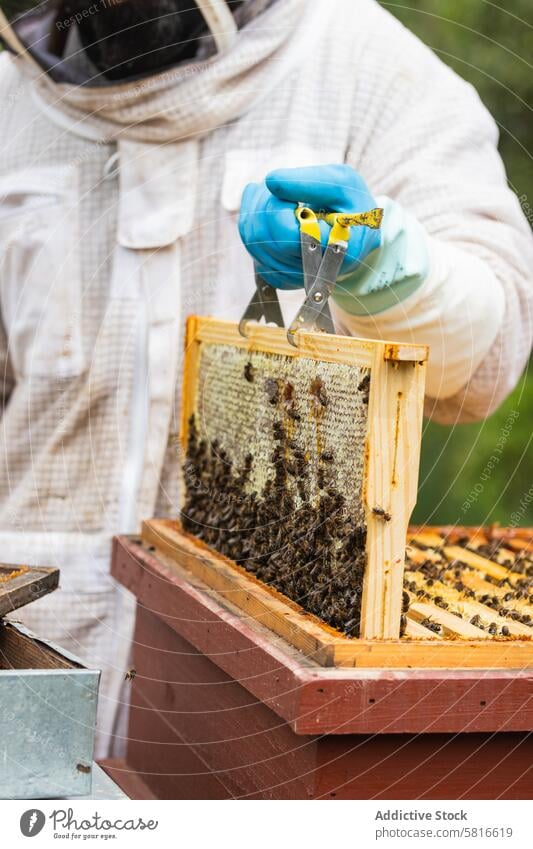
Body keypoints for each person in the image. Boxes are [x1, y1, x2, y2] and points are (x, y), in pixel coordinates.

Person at [0, 0, 531, 757]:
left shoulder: (363, 62)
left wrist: (384, 269)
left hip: (254, 675)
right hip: (27, 647)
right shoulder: (9, 105)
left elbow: (485, 359)